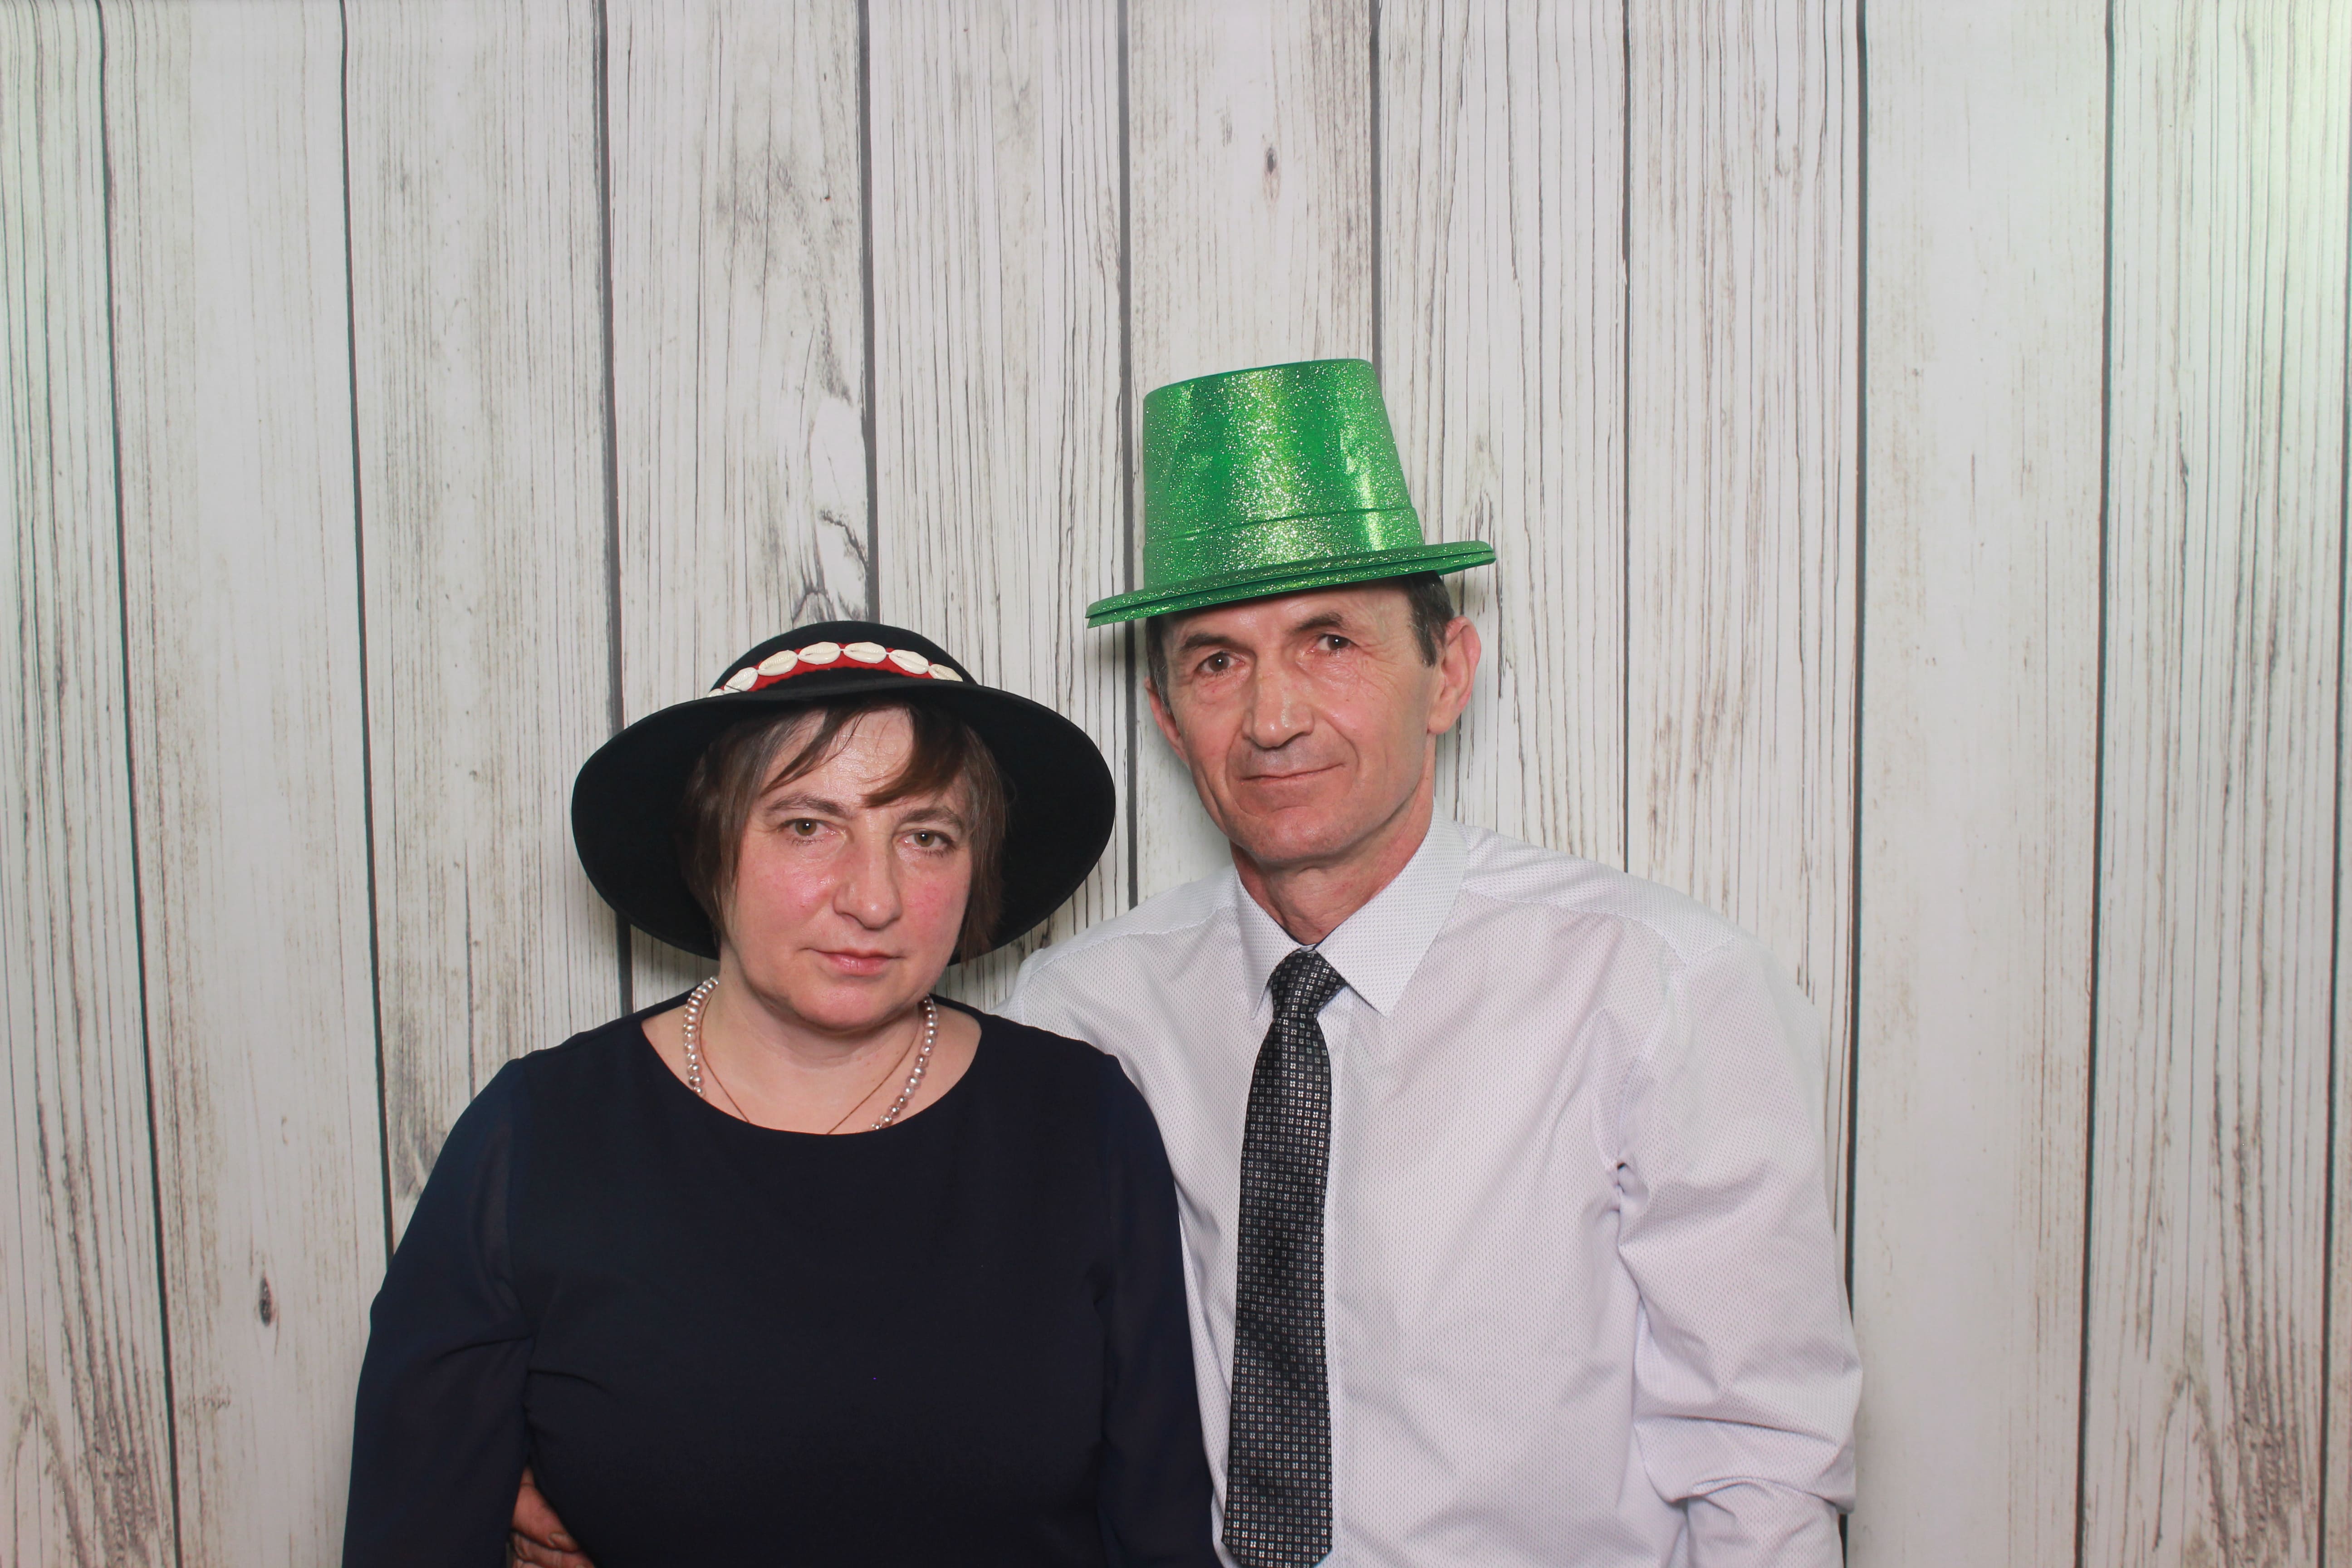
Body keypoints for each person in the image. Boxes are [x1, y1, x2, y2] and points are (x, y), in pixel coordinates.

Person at [515, 360, 1861, 1567]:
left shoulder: (1656, 992)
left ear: (1449, 673)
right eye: (1218, 662)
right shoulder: (1084, 1012)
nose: (1273, 716)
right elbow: (906, 1342)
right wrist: (610, 1471)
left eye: (1332, 643)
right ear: (1165, 713)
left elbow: (1766, 1462)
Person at [346, 622, 1217, 1568]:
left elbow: (1161, 1532)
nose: (873, 898)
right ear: (709, 847)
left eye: (927, 837)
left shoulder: (1081, 1122)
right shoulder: (540, 1136)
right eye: (809, 826)